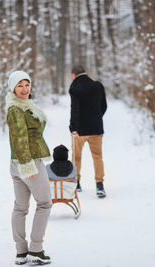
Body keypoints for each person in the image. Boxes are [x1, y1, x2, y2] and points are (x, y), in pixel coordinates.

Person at [6, 70, 52, 265]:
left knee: (21, 207)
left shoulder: (25, 105)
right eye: (20, 86)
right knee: (44, 203)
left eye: (27, 85)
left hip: (18, 163)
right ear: (13, 88)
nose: (24, 89)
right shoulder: (16, 109)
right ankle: (36, 249)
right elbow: (19, 139)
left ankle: (21, 252)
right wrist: (28, 166)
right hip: (28, 162)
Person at [68, 65, 107, 198]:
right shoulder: (98, 86)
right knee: (97, 156)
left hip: (79, 130)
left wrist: (73, 128)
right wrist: (96, 118)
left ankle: (77, 182)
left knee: (76, 157)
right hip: (96, 128)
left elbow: (75, 109)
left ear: (73, 75)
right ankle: (100, 185)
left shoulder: (74, 89)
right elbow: (104, 106)